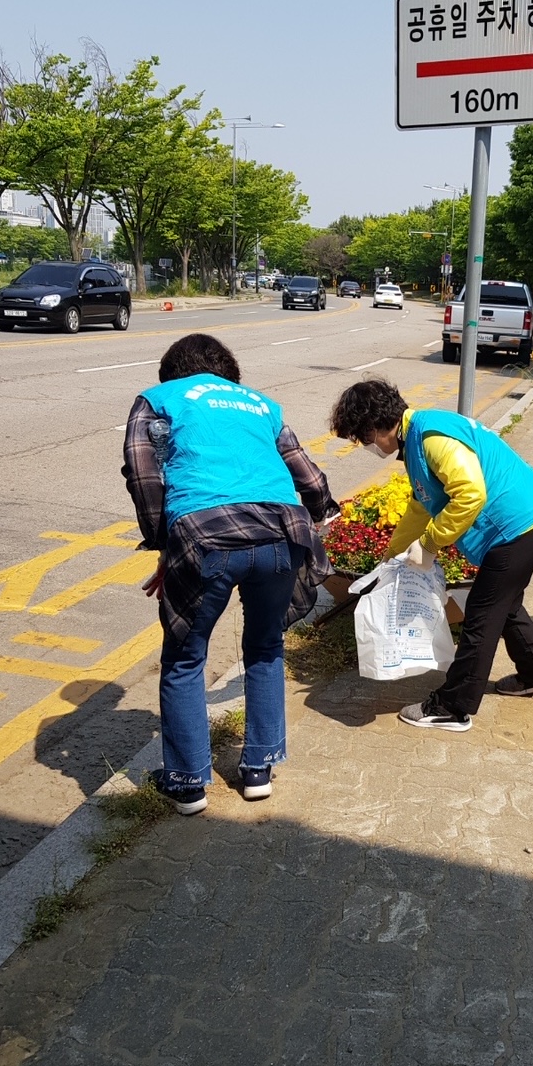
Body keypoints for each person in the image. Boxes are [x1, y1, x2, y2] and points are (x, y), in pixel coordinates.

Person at [122, 334, 337, 813]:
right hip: (284, 534)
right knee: (264, 649)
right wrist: (322, 511)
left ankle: (187, 783)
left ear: (173, 370)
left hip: (204, 535)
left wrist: (164, 540)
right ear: (229, 370)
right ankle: (259, 769)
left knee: (184, 659)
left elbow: (142, 472)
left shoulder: (159, 400)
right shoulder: (262, 405)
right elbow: (310, 476)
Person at [329, 379, 533, 731]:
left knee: (482, 614)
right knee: (506, 603)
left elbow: (469, 494)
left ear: (375, 427)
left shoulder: (431, 438)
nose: (366, 446)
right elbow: (422, 506)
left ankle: (453, 707)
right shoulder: (417, 438)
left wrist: (429, 545)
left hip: (519, 527)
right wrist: (391, 555)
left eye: (363, 438)